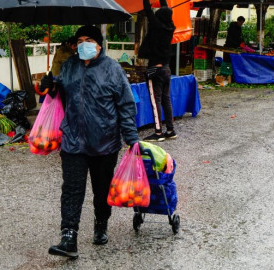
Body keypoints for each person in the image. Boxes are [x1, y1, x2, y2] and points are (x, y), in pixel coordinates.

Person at [43, 25, 140, 259]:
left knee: (101, 189)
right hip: (73, 140)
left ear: (98, 44)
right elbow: (56, 92)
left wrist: (131, 138)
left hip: (104, 142)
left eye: (88, 40)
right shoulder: (69, 66)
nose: (83, 44)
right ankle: (69, 237)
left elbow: (125, 105)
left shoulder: (112, 69)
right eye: (80, 40)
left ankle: (101, 224)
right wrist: (49, 84)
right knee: (72, 189)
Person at [138, 0, 177, 142]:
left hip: (155, 69)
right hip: (166, 69)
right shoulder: (170, 27)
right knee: (166, 101)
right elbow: (165, 8)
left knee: (156, 101)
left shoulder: (156, 26)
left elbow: (148, 10)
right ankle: (171, 130)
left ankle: (159, 132)